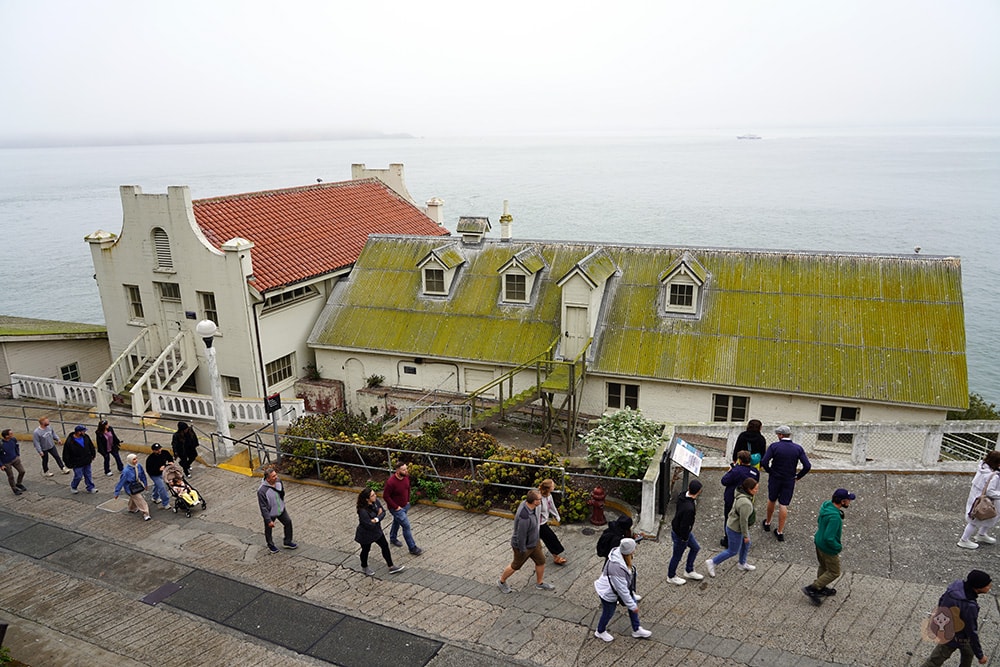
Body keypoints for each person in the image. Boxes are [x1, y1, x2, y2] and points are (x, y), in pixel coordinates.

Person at [921, 570, 991, 666]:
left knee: (937, 658)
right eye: (987, 585)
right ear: (978, 588)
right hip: (959, 636)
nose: (989, 587)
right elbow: (971, 630)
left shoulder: (954, 589)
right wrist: (980, 656)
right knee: (965, 655)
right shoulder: (970, 606)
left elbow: (941, 601)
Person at [802, 488, 855, 605]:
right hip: (827, 548)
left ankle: (821, 587)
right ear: (842, 502)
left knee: (823, 566)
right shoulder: (835, 518)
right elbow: (829, 537)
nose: (849, 502)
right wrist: (837, 547)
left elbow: (819, 521)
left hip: (818, 542)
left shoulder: (826, 506)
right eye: (848, 500)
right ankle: (813, 588)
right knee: (834, 571)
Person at [593, 538, 652, 642]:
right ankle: (600, 631)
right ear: (629, 552)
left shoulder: (619, 554)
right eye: (634, 549)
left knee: (632, 602)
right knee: (608, 613)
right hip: (607, 594)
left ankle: (636, 629)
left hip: (615, 590)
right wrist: (632, 605)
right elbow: (622, 590)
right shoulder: (616, 568)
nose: (635, 550)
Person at [760, 424, 811, 541]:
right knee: (783, 504)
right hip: (789, 479)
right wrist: (798, 476)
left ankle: (768, 522)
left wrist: (770, 471)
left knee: (772, 499)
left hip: (775, 477)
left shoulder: (774, 446)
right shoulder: (798, 448)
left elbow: (764, 461)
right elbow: (807, 466)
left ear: (781, 435)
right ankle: (780, 531)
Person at [498, 489, 554, 593]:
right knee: (516, 566)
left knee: (541, 561)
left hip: (534, 542)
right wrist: (522, 550)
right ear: (535, 501)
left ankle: (540, 583)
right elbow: (521, 535)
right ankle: (501, 582)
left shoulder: (528, 505)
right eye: (540, 499)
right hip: (523, 546)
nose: (541, 501)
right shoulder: (525, 517)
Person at [706, 477, 758, 577]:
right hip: (736, 529)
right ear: (749, 490)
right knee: (733, 551)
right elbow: (743, 521)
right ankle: (712, 562)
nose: (757, 490)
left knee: (746, 544)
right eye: (755, 489)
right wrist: (745, 535)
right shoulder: (745, 503)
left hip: (732, 524)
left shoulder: (740, 494)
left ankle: (742, 563)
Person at [355, 487, 404, 576]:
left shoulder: (376, 502)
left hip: (376, 531)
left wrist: (376, 519)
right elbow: (369, 524)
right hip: (365, 534)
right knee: (366, 550)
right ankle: (364, 566)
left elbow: (383, 512)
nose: (375, 496)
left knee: (385, 546)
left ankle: (391, 566)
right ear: (367, 499)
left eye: (374, 494)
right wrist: (377, 517)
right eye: (372, 495)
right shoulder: (363, 511)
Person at [957, 451, 1000, 550]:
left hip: (975, 498)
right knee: (978, 519)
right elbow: (990, 491)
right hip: (984, 501)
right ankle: (964, 540)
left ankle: (981, 534)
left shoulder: (982, 468)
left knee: (980, 518)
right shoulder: (994, 476)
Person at [667, 479, 706, 585]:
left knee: (695, 548)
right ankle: (671, 576)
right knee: (677, 556)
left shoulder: (682, 495)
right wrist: (684, 538)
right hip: (681, 534)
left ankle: (689, 570)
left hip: (679, 530)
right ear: (698, 492)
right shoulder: (689, 508)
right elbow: (685, 525)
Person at [719, 450, 760, 547]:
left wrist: (730, 471)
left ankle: (728, 540)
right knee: (744, 518)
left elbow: (724, 481)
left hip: (732, 498)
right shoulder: (755, 472)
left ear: (740, 460)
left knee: (729, 518)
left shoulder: (735, 471)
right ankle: (741, 537)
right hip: (747, 500)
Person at [382, 462, 423, 555]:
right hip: (396, 509)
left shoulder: (406, 477)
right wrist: (396, 507)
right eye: (403, 470)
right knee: (406, 526)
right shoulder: (391, 482)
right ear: (397, 470)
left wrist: (408, 501)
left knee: (397, 521)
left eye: (406, 469)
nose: (406, 471)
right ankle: (412, 547)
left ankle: (392, 538)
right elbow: (386, 496)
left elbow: (408, 488)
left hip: (405, 505)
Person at [256, 467, 297, 554]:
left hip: (281, 509)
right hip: (270, 513)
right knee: (268, 529)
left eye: (276, 475)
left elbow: (281, 492)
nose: (276, 477)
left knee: (288, 522)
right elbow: (263, 507)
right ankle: (270, 545)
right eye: (273, 476)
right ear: (268, 479)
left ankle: (287, 541)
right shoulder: (262, 491)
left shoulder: (278, 481)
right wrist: (268, 520)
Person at [113, 453, 151, 521]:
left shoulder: (138, 466)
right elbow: (121, 482)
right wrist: (116, 492)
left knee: (134, 498)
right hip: (130, 488)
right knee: (140, 499)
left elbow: (142, 475)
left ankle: (131, 508)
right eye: (134, 459)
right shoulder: (126, 471)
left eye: (136, 458)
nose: (136, 460)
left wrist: (145, 483)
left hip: (136, 485)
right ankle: (146, 513)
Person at [538, 479, 567, 565]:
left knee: (546, 539)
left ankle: (555, 556)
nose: (554, 487)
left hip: (543, 522)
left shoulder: (549, 495)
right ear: (548, 488)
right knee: (551, 538)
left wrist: (556, 516)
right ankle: (556, 557)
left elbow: (552, 506)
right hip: (539, 524)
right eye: (553, 486)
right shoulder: (539, 498)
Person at [62, 424, 98, 494]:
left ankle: (90, 487)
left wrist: (93, 454)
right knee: (78, 476)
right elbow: (66, 453)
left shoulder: (86, 437)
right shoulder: (70, 442)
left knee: (88, 474)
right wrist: (69, 464)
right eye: (83, 431)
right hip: (77, 463)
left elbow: (91, 446)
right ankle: (74, 486)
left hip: (86, 460)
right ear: (79, 432)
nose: (84, 432)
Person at [146, 443, 174, 510]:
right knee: (162, 487)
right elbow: (149, 470)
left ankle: (155, 497)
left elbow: (170, 458)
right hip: (154, 474)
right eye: (156, 450)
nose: (159, 450)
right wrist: (158, 469)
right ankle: (166, 503)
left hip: (163, 472)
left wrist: (171, 462)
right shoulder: (150, 459)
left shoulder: (165, 452)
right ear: (153, 450)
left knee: (157, 485)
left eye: (159, 448)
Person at [1, 429, 27, 496]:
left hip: (15, 459)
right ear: (6, 436)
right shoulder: (1, 444)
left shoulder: (13, 439)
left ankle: (18, 483)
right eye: (11, 434)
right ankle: (14, 488)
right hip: (6, 463)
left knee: (22, 471)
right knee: (11, 476)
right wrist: (1, 465)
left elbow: (16, 446)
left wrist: (17, 455)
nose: (12, 434)